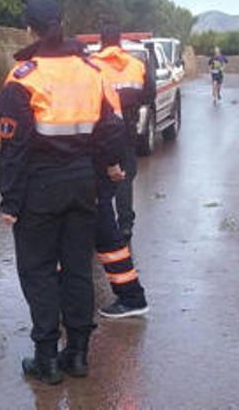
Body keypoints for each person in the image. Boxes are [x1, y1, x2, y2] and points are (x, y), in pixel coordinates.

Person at [0, 0, 126, 385]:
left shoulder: (22, 78)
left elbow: (14, 147)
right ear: (61, 24)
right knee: (77, 270)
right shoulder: (91, 71)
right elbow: (110, 129)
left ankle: (46, 359)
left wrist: (10, 200)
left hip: (39, 188)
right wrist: (108, 170)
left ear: (28, 30)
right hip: (82, 184)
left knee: (38, 272)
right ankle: (79, 355)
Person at [89, 20, 151, 319]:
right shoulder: (136, 64)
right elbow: (149, 95)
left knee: (99, 191)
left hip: (96, 134)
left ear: (101, 41)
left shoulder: (90, 65)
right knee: (125, 180)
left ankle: (100, 229)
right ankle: (124, 226)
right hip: (125, 128)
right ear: (121, 42)